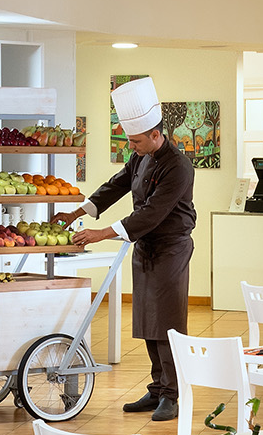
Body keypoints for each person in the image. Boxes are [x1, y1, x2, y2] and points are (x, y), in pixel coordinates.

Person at [57, 77, 197, 414]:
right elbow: (115, 185)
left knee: (168, 323)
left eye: (135, 140)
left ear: (155, 135)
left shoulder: (178, 166)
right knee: (149, 321)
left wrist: (102, 233)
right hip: (145, 246)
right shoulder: (140, 157)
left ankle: (171, 395)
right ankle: (157, 388)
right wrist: (77, 211)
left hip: (171, 249)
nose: (131, 146)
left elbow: (152, 213)